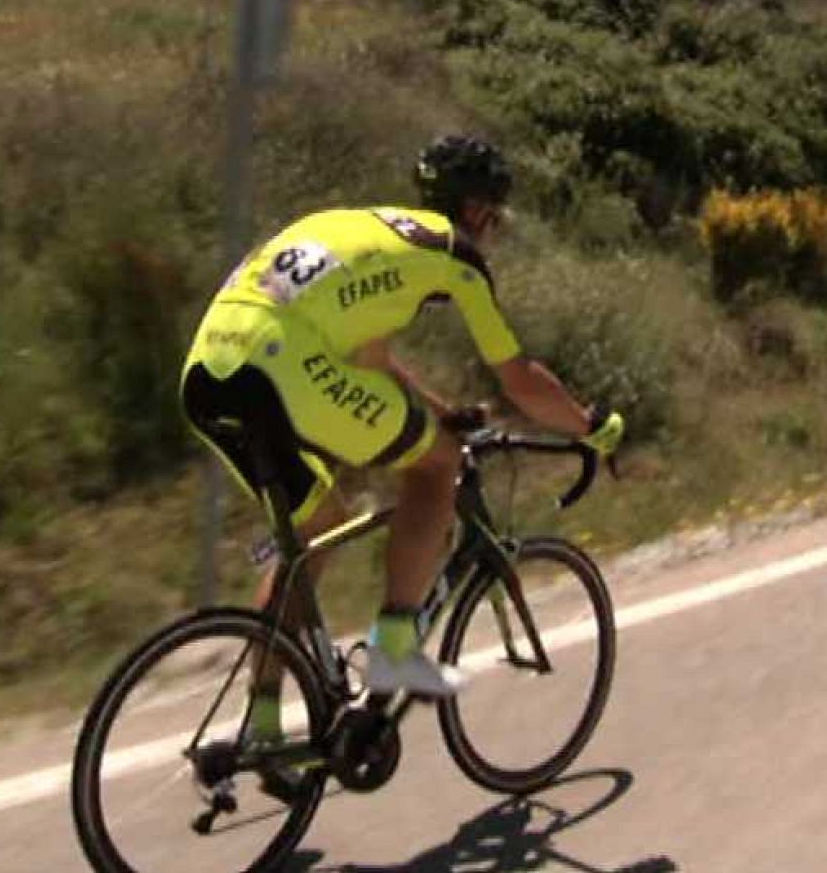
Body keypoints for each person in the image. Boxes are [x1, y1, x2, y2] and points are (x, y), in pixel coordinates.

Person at [178, 134, 625, 741]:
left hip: (210, 372)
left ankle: (261, 725)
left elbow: (371, 358)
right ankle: (392, 648)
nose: (492, 230)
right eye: (494, 216)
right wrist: (590, 425)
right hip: (280, 363)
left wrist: (440, 411)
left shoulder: (367, 232)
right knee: (434, 467)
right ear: (473, 211)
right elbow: (519, 378)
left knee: (315, 530)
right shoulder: (452, 255)